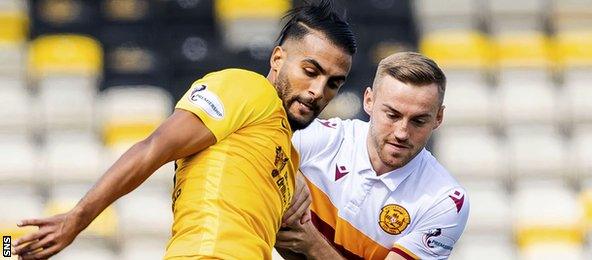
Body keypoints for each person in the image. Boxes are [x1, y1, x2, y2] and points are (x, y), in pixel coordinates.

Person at [12, 1, 356, 259]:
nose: (318, 90)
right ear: (278, 58)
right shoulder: (246, 88)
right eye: (310, 71)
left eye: (333, 83)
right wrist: (76, 219)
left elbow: (297, 245)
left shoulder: (284, 154)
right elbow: (153, 148)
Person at [275, 52, 469, 260]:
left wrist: (312, 245)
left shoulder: (444, 200)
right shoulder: (319, 138)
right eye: (392, 115)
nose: (402, 132)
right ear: (369, 101)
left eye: (418, 121)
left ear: (438, 117)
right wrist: (286, 170)